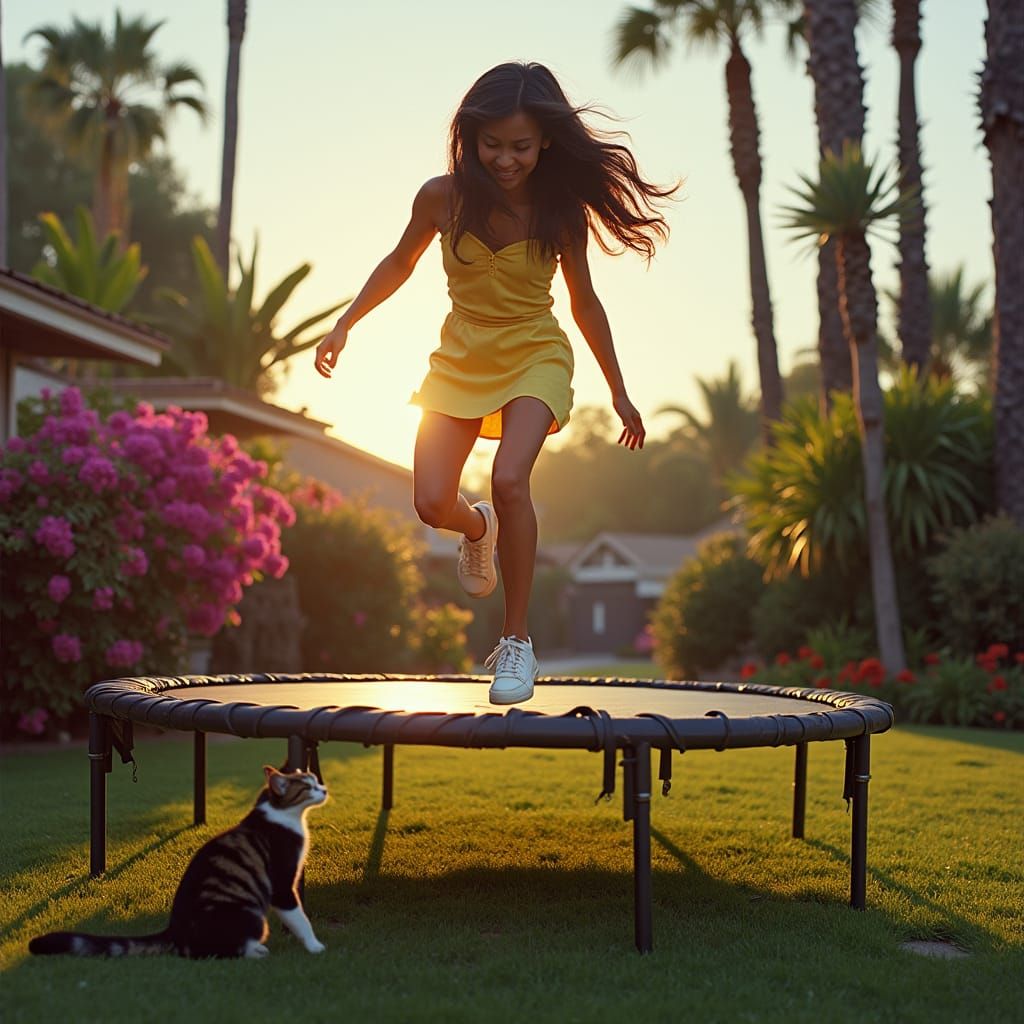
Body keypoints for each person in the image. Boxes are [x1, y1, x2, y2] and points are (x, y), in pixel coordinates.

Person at [314, 61, 675, 706]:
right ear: (469, 137)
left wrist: (618, 390)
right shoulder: (441, 198)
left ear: (545, 144)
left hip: (535, 352)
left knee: (511, 478)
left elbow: (585, 303)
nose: (506, 160)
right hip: (461, 357)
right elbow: (399, 262)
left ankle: (517, 644)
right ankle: (478, 530)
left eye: (521, 146)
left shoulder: (559, 212)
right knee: (430, 504)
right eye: (493, 144)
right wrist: (345, 325)